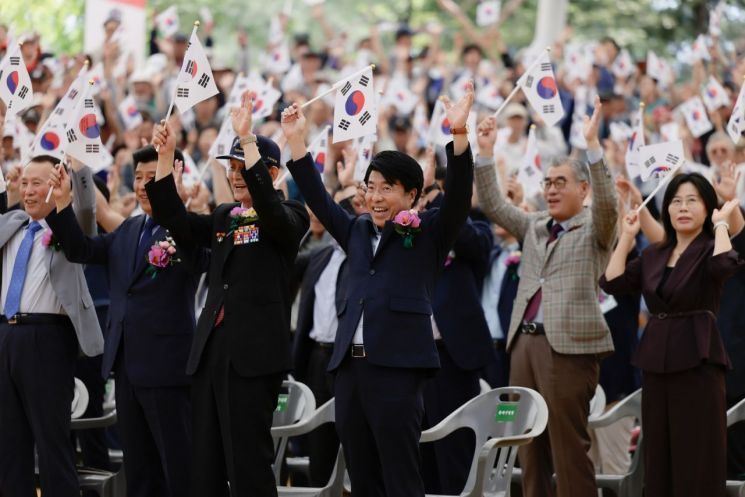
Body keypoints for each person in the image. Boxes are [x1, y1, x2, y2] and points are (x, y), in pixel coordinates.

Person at [283, 81, 476, 497]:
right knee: (362, 476)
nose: (375, 196)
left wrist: (459, 135)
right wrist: (297, 142)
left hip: (399, 372)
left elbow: (459, 199)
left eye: (387, 188)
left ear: (412, 195)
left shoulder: (428, 234)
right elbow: (317, 198)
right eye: (371, 187)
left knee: (401, 477)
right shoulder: (353, 230)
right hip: (349, 372)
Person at [147, 91, 310, 496]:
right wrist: (165, 159)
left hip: (253, 358)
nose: (235, 175)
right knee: (205, 463)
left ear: (271, 173)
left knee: (248, 463)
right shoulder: (224, 216)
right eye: (231, 167)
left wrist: (249, 139)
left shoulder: (290, 216)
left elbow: (271, 211)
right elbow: (175, 220)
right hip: (210, 352)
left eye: (243, 167)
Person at [474, 95, 617, 497]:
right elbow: (495, 207)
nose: (551, 191)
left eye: (561, 183)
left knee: (568, 450)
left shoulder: (597, 227)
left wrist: (592, 147)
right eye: (548, 183)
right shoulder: (536, 225)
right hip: (524, 345)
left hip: (568, 349)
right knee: (528, 449)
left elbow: (608, 203)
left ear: (583, 189)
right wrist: (485, 153)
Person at [46, 146, 206, 497]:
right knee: (139, 470)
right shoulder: (130, 229)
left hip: (167, 369)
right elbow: (82, 251)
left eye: (153, 178)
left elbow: (195, 258)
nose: (143, 185)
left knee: (178, 468)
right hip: (127, 368)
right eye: (138, 178)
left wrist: (174, 202)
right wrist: (61, 205)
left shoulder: (186, 230)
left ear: (171, 178)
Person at [601, 173, 745, 497]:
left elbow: (725, 266)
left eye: (692, 200)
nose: (683, 207)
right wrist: (626, 236)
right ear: (666, 209)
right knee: (659, 453)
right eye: (676, 201)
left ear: (708, 207)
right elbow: (611, 281)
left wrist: (721, 224)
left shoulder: (710, 247)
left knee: (696, 453)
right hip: (656, 360)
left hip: (697, 359)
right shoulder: (654, 253)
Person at [0, 155, 104, 497]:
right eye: (24, 183)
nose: (28, 191)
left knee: (51, 442)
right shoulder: (12, 223)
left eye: (37, 183)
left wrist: (79, 164)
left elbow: (87, 208)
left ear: (56, 185)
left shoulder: (68, 226)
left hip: (46, 337)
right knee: (10, 445)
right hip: (5, 335)